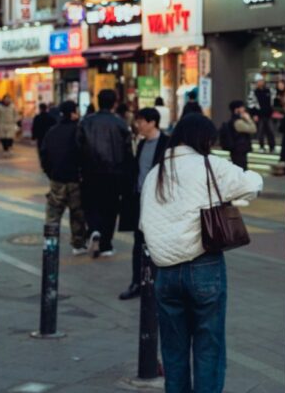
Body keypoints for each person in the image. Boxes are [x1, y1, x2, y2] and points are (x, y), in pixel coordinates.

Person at [140, 114, 262, 392]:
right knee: (209, 348)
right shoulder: (209, 165)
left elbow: (145, 224)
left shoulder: (155, 173)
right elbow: (251, 185)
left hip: (165, 273)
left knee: (173, 351)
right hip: (204, 266)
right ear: (202, 139)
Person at [118, 108, 169, 301]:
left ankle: (157, 284)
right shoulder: (140, 144)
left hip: (159, 202)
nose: (137, 125)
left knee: (159, 243)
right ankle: (137, 282)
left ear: (152, 122)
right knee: (138, 242)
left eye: (140, 121)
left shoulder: (167, 144)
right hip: (140, 200)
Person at [77, 89, 135, 258]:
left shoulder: (86, 122)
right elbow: (128, 152)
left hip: (90, 172)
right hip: (114, 173)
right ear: (114, 103)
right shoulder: (121, 124)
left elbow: (78, 148)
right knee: (110, 208)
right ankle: (106, 245)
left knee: (91, 204)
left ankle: (94, 229)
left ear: (98, 101)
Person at [40, 101, 87, 255]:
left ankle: (50, 243)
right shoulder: (79, 130)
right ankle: (78, 244)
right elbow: (85, 154)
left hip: (57, 179)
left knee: (53, 213)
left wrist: (50, 173)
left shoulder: (52, 131)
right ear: (73, 113)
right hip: (75, 179)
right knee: (77, 213)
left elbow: (44, 155)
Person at [223, 100, 257, 170]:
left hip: (238, 149)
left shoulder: (234, 120)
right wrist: (249, 119)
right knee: (241, 169)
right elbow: (253, 129)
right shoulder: (238, 122)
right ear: (236, 109)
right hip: (239, 150)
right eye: (242, 107)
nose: (244, 109)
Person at [248, 74, 276, 153]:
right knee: (260, 132)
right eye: (259, 81)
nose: (260, 82)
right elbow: (251, 104)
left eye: (262, 81)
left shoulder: (268, 91)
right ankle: (261, 146)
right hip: (259, 115)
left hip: (268, 115)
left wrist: (272, 111)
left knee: (270, 131)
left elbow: (273, 101)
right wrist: (254, 114)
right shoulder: (253, 92)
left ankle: (272, 147)